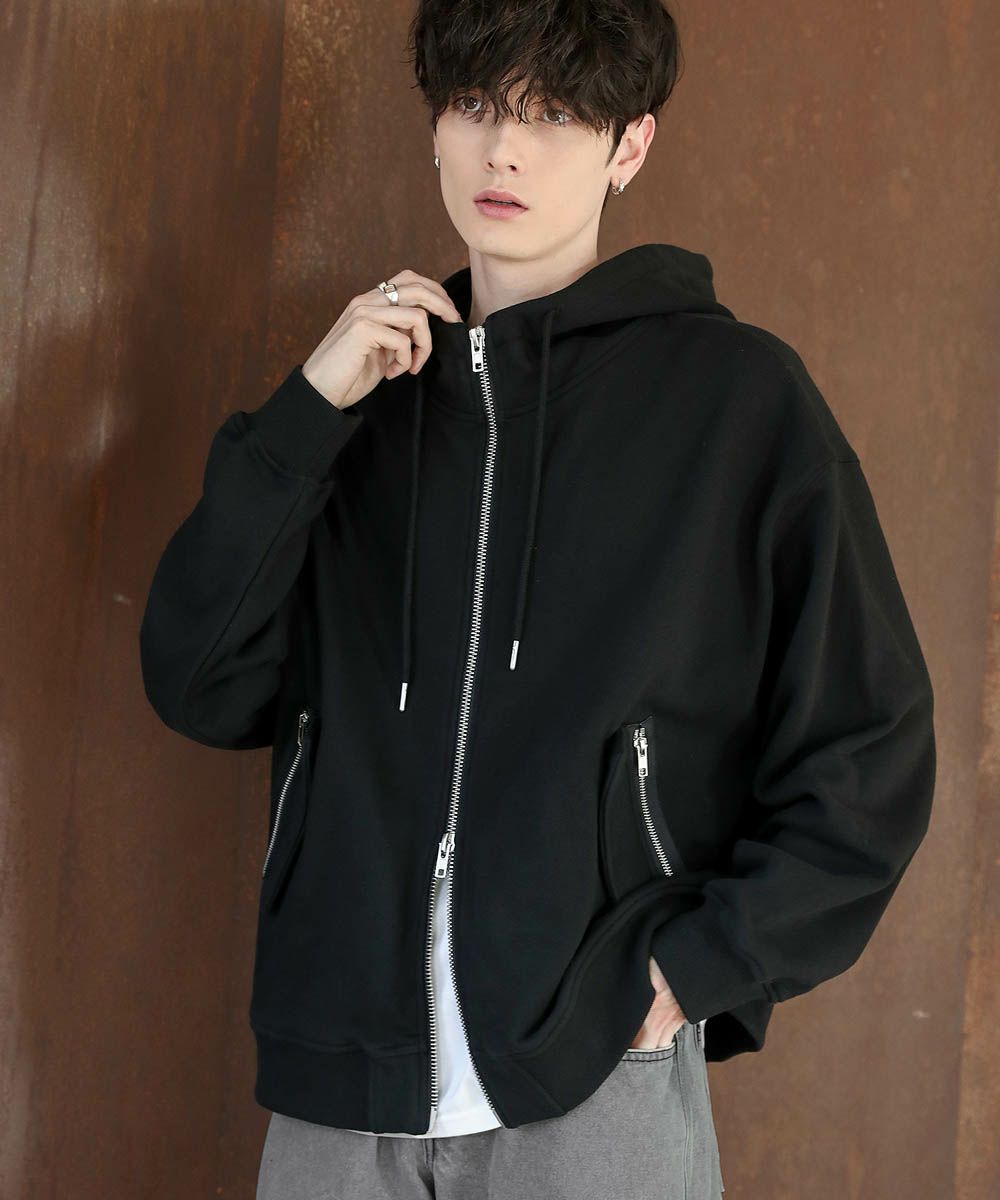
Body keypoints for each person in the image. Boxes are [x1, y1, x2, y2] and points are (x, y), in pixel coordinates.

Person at [138, 1, 937, 1197]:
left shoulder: (736, 404)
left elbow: (870, 747)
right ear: (435, 129)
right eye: (473, 106)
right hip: (340, 1080)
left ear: (630, 145)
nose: (502, 150)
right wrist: (307, 414)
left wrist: (691, 972)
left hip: (594, 1076)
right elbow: (199, 683)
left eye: (553, 115)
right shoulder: (361, 409)